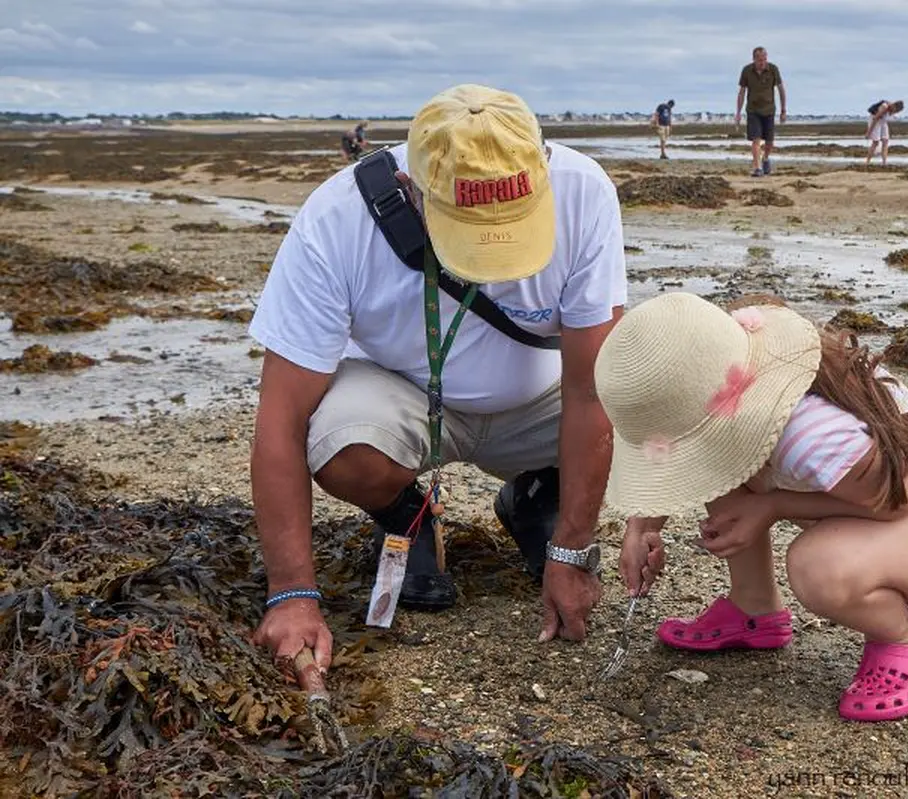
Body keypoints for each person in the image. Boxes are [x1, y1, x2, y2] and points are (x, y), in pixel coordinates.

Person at [249, 84, 628, 673]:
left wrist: (573, 547)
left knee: (640, 414)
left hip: (542, 401)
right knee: (339, 448)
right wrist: (292, 594)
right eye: (469, 229)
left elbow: (590, 389)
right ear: (412, 190)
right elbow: (280, 419)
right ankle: (408, 513)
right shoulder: (335, 220)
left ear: (542, 168)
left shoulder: (583, 192)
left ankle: (537, 499)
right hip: (405, 391)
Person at [598, 292, 908, 723]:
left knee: (818, 567)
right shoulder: (725, 369)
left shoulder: (813, 434)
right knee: (719, 467)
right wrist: (640, 529)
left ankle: (898, 636)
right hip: (859, 490)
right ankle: (754, 608)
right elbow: (676, 457)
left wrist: (773, 506)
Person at [735, 47, 787, 177]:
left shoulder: (773, 69)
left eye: (764, 59)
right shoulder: (747, 70)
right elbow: (741, 93)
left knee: (769, 142)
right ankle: (757, 168)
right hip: (753, 110)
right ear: (754, 59)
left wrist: (783, 110)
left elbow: (781, 90)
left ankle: (765, 159)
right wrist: (738, 112)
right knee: (756, 139)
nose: (762, 62)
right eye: (759, 60)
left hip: (769, 110)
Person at [866, 100, 904, 166]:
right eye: (896, 110)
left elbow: (885, 118)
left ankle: (884, 163)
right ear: (894, 106)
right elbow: (875, 119)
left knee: (885, 140)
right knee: (875, 142)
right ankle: (867, 162)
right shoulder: (884, 107)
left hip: (883, 122)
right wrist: (869, 132)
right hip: (875, 120)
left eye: (898, 111)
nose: (896, 112)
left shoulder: (892, 110)